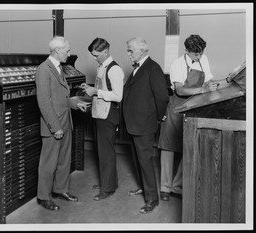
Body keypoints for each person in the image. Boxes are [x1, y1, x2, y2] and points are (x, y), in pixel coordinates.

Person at [158, 34, 235, 201]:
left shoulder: (203, 59)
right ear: (186, 50)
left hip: (194, 106)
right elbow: (180, 90)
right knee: (168, 146)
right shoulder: (178, 64)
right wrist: (202, 90)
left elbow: (209, 82)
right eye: (195, 54)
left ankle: (177, 186)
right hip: (177, 106)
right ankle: (164, 187)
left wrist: (229, 81)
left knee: (189, 145)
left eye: (200, 53)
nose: (199, 56)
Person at [35, 36, 88, 211]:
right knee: (48, 163)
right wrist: (55, 127)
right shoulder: (44, 69)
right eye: (67, 50)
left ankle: (61, 189)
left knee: (64, 160)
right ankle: (44, 196)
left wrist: (74, 103)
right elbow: (44, 101)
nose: (69, 53)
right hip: (54, 125)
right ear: (57, 50)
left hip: (66, 121)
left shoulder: (59, 68)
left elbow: (61, 97)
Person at [122, 37, 169, 214]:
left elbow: (161, 97)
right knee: (137, 159)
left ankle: (152, 199)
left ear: (142, 51)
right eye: (128, 50)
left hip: (144, 124)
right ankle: (143, 187)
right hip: (134, 123)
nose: (128, 54)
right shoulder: (138, 69)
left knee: (146, 161)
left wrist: (159, 117)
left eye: (130, 50)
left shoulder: (153, 68)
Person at [80, 38, 124, 201]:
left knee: (106, 152)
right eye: (92, 55)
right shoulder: (102, 66)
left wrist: (96, 92)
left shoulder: (115, 70)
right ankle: (109, 182)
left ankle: (107, 188)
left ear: (106, 52)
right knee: (102, 151)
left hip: (108, 115)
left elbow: (118, 96)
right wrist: (90, 89)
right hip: (100, 113)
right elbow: (102, 89)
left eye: (96, 55)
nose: (94, 58)